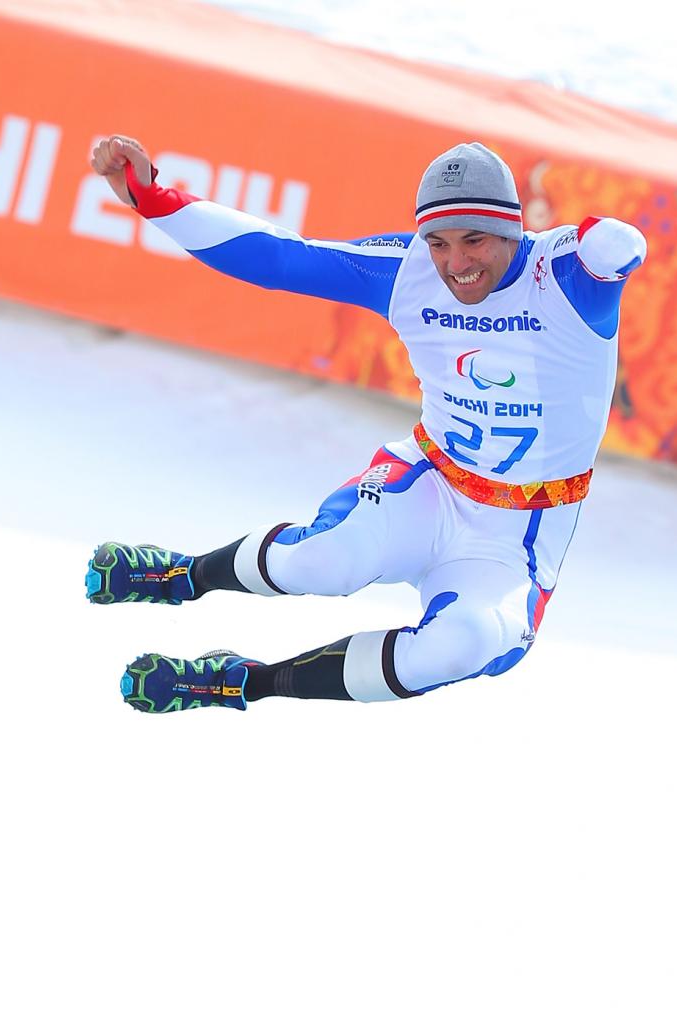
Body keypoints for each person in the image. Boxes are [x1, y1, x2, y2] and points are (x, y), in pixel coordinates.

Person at [85, 133, 646, 712]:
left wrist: (605, 241)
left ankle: (241, 682)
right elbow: (280, 257)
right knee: (322, 563)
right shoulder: (407, 272)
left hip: (514, 541)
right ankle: (182, 577)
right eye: (438, 242)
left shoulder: (565, 280)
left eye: (474, 240)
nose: (456, 265)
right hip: (430, 484)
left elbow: (621, 247)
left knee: (460, 649)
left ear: (512, 229)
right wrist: (149, 197)